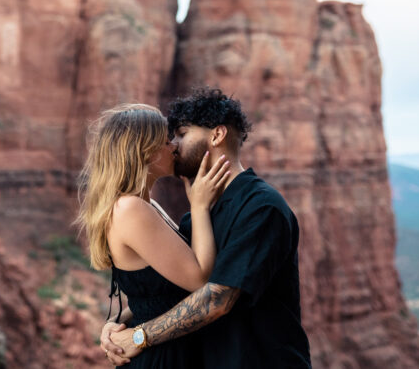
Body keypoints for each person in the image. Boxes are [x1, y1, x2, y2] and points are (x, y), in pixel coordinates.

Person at [102, 88, 312, 368]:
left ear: (217, 135)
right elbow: (171, 293)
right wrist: (117, 323)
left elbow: (216, 299)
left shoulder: (261, 208)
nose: (173, 145)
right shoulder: (199, 215)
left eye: (182, 134)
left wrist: (139, 336)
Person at [75, 103, 232, 368]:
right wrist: (199, 206)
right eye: (165, 140)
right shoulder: (130, 208)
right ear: (145, 150)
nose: (174, 146)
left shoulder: (145, 204)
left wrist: (117, 322)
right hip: (162, 358)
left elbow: (154, 296)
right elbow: (199, 279)